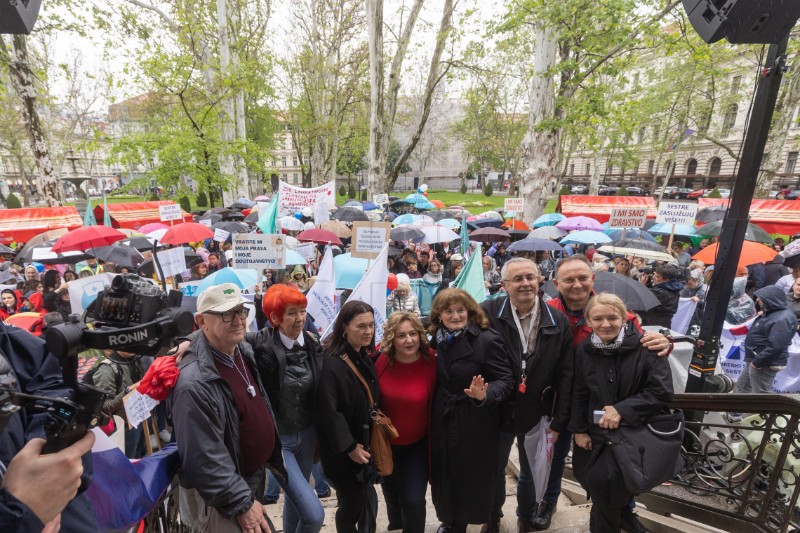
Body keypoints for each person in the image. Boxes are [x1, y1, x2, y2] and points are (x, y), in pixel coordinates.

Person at [543, 254, 671, 532]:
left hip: (618, 418)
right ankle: (548, 502)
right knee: (571, 466)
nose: (576, 284)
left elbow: (647, 361)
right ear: (556, 283)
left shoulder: (619, 316)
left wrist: (665, 343)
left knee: (618, 473)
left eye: (582, 277)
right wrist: (578, 427)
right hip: (563, 406)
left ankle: (624, 512)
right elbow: (578, 390)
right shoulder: (549, 313)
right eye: (569, 279)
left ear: (592, 279)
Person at [167, 283, 284, 532]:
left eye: (240, 311)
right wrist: (241, 503)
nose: (238, 320)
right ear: (202, 321)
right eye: (226, 314)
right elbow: (204, 459)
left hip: (246, 480)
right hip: (220, 499)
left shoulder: (240, 348)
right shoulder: (193, 383)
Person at [481, 258, 574, 533]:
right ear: (505, 284)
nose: (525, 284)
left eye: (530, 277)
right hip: (497, 406)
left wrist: (560, 418)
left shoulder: (557, 320)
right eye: (518, 279)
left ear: (539, 280)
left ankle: (526, 515)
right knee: (494, 468)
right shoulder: (486, 313)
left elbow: (566, 373)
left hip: (538, 407)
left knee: (532, 470)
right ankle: (492, 516)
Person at [569, 293, 673, 533]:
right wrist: (579, 430)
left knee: (607, 486)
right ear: (588, 322)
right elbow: (580, 391)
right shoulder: (585, 349)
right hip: (597, 431)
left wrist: (622, 410)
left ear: (625, 319)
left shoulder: (645, 346)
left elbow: (661, 391)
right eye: (598, 319)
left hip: (633, 432)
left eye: (612, 318)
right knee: (599, 483)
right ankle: (622, 519)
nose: (606, 324)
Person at [428, 288, 514, 533]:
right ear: (439, 315)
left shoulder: (486, 339)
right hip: (445, 417)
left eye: (460, 310)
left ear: (470, 312)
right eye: (448, 311)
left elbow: (505, 380)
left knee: (475, 477)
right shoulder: (437, 339)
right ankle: (452, 519)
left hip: (476, 419)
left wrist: (485, 394)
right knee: (447, 473)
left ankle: (486, 518)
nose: (455, 316)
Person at [0, 321, 99, 532]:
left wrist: (50, 444)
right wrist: (18, 517)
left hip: (65, 509)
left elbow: (50, 381)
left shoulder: (9, 341)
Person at [247, 284, 324, 533]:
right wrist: (185, 342)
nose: (300, 318)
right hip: (280, 444)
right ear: (274, 318)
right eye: (292, 313)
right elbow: (217, 336)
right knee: (313, 515)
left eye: (302, 311)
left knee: (296, 503)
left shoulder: (313, 344)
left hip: (308, 438)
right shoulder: (258, 343)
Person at [315, 300, 380, 532]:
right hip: (343, 453)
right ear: (344, 327)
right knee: (352, 504)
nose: (368, 331)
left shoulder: (362, 355)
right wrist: (350, 446)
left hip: (363, 446)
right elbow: (328, 410)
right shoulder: (332, 363)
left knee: (361, 502)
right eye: (361, 326)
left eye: (371, 325)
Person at [375, 312, 437, 533]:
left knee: (413, 500)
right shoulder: (380, 359)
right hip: (385, 445)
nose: (409, 340)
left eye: (413, 334)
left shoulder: (433, 360)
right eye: (401, 335)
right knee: (392, 498)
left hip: (417, 445)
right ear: (392, 338)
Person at [727, 286, 798, 423]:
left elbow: (776, 345)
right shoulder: (774, 314)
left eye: (761, 298)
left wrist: (757, 362)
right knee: (743, 386)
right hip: (757, 359)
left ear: (771, 300)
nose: (758, 300)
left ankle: (774, 422)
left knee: (762, 394)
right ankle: (735, 414)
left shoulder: (782, 318)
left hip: (763, 362)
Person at [90, 349, 146, 458]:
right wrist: (129, 390)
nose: (131, 346)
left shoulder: (134, 358)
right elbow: (106, 407)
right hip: (123, 427)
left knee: (139, 453)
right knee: (128, 459)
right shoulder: (106, 369)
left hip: (138, 416)